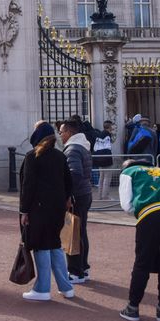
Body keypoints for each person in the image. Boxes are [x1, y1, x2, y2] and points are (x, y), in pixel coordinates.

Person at [117, 158, 160, 321]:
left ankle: (132, 308)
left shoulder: (128, 172)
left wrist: (141, 211)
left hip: (151, 214)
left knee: (142, 262)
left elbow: (126, 205)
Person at [19, 121, 75, 302]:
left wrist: (24, 210)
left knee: (41, 246)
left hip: (38, 208)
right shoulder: (59, 156)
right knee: (54, 245)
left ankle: (42, 288)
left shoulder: (32, 156)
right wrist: (66, 198)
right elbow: (69, 181)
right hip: (57, 207)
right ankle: (66, 287)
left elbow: (28, 186)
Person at [60, 119, 93, 284]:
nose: (60, 136)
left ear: (69, 132)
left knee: (72, 234)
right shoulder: (82, 147)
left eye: (62, 132)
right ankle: (84, 267)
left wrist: (68, 195)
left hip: (77, 196)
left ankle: (75, 271)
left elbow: (74, 173)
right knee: (81, 232)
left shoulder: (72, 149)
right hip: (84, 193)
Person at [92, 121, 114, 199]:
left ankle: (100, 195)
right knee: (107, 178)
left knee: (101, 178)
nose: (113, 128)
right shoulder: (108, 135)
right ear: (110, 127)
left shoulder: (99, 134)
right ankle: (105, 196)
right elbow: (108, 147)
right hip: (106, 159)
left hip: (99, 158)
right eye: (112, 126)